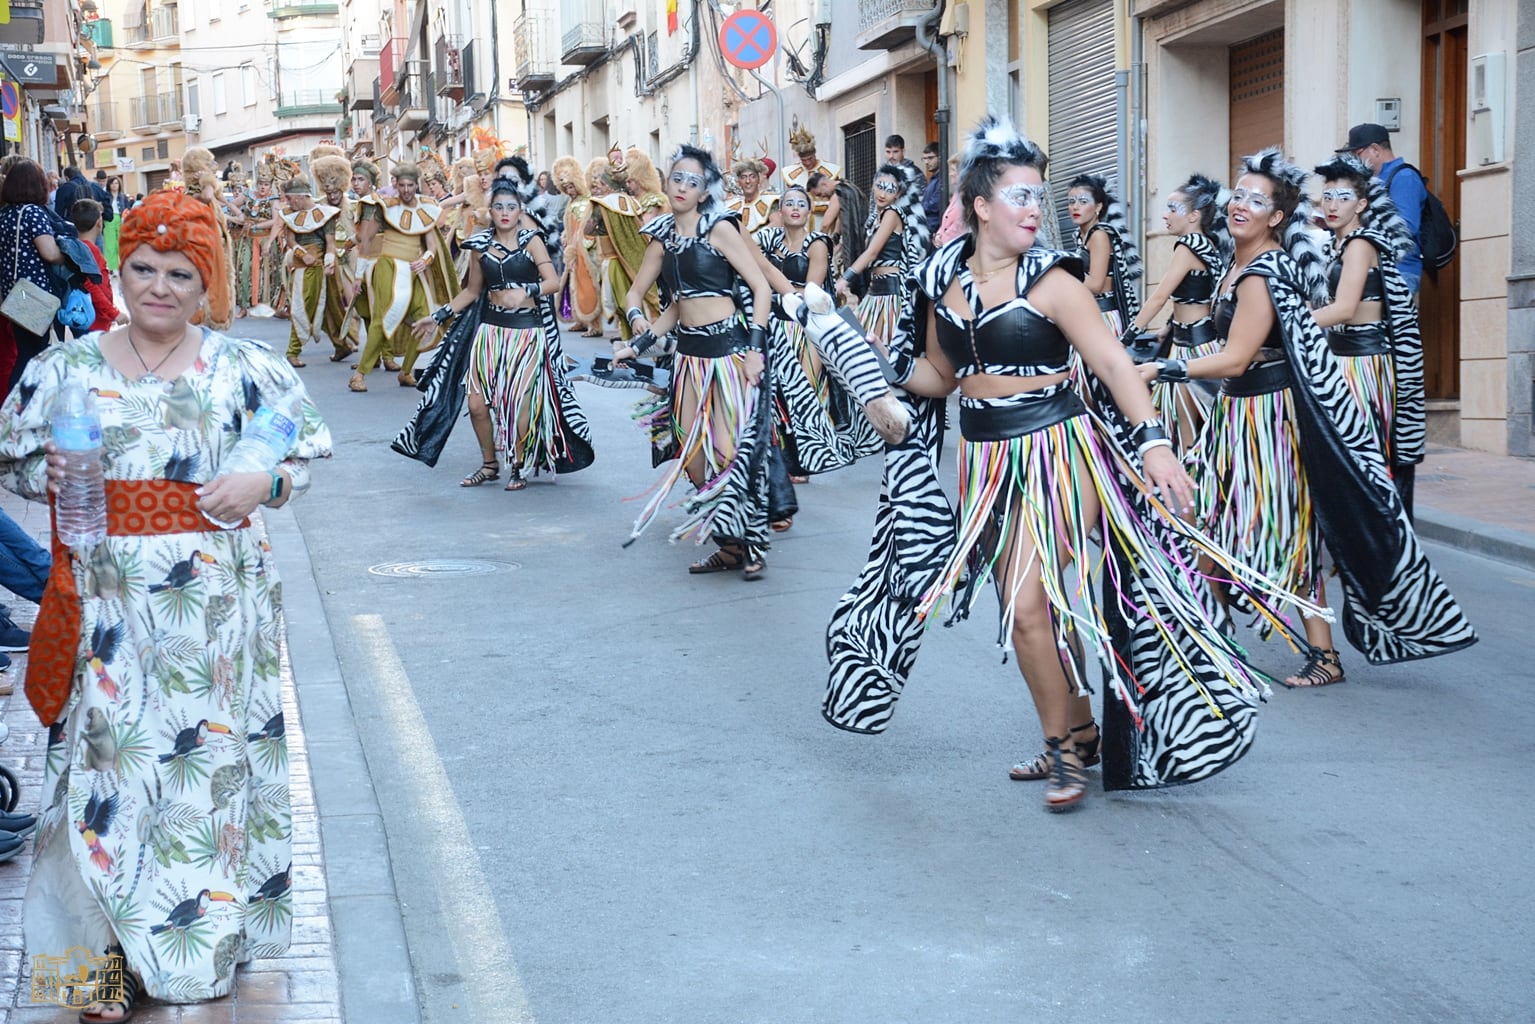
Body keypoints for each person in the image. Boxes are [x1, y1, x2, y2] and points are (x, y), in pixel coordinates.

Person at [818, 115, 1311, 810]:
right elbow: (937, 373)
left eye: (1037, 196)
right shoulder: (939, 280)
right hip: (984, 459)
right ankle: (1076, 728)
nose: (1033, 209)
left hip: (1057, 449)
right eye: (1018, 196)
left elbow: (1111, 363)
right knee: (1029, 612)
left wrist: (1156, 442)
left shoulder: (1051, 279)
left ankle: (1064, 750)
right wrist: (875, 381)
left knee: (1026, 606)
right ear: (980, 206)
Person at [0, 187, 332, 1017]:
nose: (158, 287)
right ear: (123, 267)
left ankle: (185, 953)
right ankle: (91, 970)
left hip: (216, 614)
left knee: (198, 780)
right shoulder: (66, 369)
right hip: (104, 606)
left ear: (205, 282)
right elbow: (12, 460)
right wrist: (68, 484)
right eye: (143, 268)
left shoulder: (244, 369)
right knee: (100, 778)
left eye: (180, 273)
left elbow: (300, 454)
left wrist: (269, 477)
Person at [1141, 147, 1476, 687]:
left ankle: (1323, 656)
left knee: (1279, 532)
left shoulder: (1262, 271)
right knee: (1213, 519)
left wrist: (1165, 369)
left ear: (1277, 217)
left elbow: (1236, 355)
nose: (1241, 205)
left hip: (1267, 417)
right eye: (1239, 196)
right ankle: (1206, 634)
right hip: (1239, 411)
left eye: (1257, 200)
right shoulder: (1241, 263)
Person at [614, 145, 775, 579]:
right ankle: (728, 542)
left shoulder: (720, 228)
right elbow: (672, 307)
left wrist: (755, 351)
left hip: (727, 354)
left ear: (705, 192)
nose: (683, 186)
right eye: (677, 178)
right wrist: (639, 341)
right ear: (666, 183)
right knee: (692, 455)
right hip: (688, 359)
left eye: (693, 181)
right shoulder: (663, 235)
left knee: (729, 453)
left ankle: (751, 543)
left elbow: (761, 288)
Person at [395, 180, 594, 485]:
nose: (504, 212)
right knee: (476, 405)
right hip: (489, 334)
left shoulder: (531, 241)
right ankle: (490, 465)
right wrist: (437, 316)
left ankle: (517, 465)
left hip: (526, 333)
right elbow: (472, 292)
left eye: (511, 207)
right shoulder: (478, 245)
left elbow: (552, 281)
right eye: (499, 207)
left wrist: (526, 289)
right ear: (489, 211)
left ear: (519, 211)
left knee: (521, 405)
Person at [1310, 153, 1425, 517]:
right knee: (1351, 459)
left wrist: (1291, 323)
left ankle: (1377, 546)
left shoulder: (1360, 245)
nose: (1332, 205)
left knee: (1361, 460)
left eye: (1342, 197)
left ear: (1361, 204)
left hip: (1362, 367)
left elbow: (1344, 308)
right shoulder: (1339, 245)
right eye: (1327, 196)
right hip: (1345, 361)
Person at [752, 184, 879, 497]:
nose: (795, 209)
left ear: (809, 212)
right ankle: (781, 456)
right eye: (788, 204)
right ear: (779, 211)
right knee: (776, 393)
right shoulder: (768, 240)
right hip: (773, 323)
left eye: (801, 204)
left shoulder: (817, 243)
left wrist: (781, 295)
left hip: (804, 324)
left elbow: (811, 289)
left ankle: (801, 460)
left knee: (805, 392)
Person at [1129, 173, 1228, 449]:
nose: (1165, 215)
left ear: (1194, 215)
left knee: (1186, 427)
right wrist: (1169, 328)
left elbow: (1159, 297)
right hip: (1193, 344)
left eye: (1173, 209)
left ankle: (1196, 485)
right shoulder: (1207, 244)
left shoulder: (1188, 247)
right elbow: (1192, 296)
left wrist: (1128, 336)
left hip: (1194, 349)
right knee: (1193, 423)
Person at [350, 163, 456, 391]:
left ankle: (406, 371)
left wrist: (426, 259)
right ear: (396, 185)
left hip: (413, 270)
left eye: (410, 185)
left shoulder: (426, 208)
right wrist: (358, 277)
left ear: (416, 185)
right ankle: (360, 374)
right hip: (388, 266)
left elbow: (431, 245)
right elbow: (366, 242)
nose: (406, 190)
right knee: (384, 318)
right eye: (402, 185)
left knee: (426, 320)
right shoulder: (384, 206)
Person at [835, 163, 928, 352]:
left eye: (890, 189)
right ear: (873, 185)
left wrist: (845, 279)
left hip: (890, 296)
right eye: (880, 186)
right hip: (876, 292)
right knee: (866, 348)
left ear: (898, 194)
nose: (883, 193)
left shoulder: (892, 213)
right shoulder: (875, 218)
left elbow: (872, 253)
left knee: (880, 352)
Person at [0, 159, 70, 392]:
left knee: (26, 349)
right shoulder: (33, 213)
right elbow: (49, 253)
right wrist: (68, 256)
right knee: (33, 354)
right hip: (34, 293)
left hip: (13, 292)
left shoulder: (5, 215)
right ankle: (18, 407)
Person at [1339, 123, 1425, 295]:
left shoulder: (1404, 177)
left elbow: (1406, 229)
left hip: (1400, 270)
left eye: (1357, 154)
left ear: (1375, 150)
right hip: (1375, 267)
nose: (1354, 160)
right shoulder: (1374, 178)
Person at [274, 178, 340, 369]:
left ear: (303, 197)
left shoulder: (325, 214)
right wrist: (303, 254)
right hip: (302, 267)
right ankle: (292, 351)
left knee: (328, 308)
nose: (289, 203)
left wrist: (329, 262)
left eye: (292, 199)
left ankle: (341, 345)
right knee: (302, 307)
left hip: (321, 267)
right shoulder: (290, 215)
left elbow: (330, 243)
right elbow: (291, 240)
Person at [1067, 173, 1141, 336]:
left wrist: (1063, 278)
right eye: (1071, 201)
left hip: (1103, 317)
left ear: (1099, 207)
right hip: (1090, 314)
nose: (1075, 207)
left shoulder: (1099, 235)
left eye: (1083, 201)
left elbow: (1095, 284)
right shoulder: (1081, 236)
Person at [552, 156, 603, 337]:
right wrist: (566, 236)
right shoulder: (571, 202)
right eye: (565, 188)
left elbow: (586, 227)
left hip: (586, 251)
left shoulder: (586, 201)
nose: (568, 190)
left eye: (571, 186)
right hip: (573, 250)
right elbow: (570, 226)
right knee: (574, 285)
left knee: (588, 285)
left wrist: (578, 244)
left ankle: (594, 323)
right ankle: (580, 320)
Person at [68, 198, 127, 333]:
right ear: (99, 223)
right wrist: (114, 313)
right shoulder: (91, 251)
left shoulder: (76, 247)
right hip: (95, 321)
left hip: (82, 317)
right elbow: (92, 287)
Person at [783, 124, 841, 224]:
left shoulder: (830, 170)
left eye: (810, 159)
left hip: (824, 219)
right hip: (802, 223)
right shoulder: (790, 174)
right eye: (803, 160)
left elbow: (837, 199)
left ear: (814, 154)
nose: (808, 163)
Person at [224, 186, 255, 318]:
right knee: (239, 271)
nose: (237, 192)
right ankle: (241, 302)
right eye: (235, 189)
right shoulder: (231, 204)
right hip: (235, 241)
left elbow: (242, 220)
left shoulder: (249, 203)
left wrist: (227, 217)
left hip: (252, 238)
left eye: (240, 189)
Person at [728, 158, 778, 233]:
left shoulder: (771, 200)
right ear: (738, 182)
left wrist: (755, 239)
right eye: (743, 177)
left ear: (758, 179)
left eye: (752, 177)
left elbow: (777, 223)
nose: (748, 181)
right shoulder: (731, 205)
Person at [934, 155, 965, 246]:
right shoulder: (957, 194)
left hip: (957, 247)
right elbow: (946, 220)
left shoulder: (968, 196)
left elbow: (960, 224)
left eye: (953, 170)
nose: (950, 174)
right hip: (946, 245)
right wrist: (938, 235)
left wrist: (943, 240)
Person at [102, 176, 128, 270]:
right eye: (112, 183)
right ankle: (112, 268)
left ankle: (123, 266)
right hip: (109, 220)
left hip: (121, 219)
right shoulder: (106, 196)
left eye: (116, 183)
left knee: (121, 243)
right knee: (110, 245)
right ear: (109, 184)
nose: (114, 185)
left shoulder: (123, 196)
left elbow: (127, 209)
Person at [920, 142, 943, 235]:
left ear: (940, 157)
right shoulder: (933, 179)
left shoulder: (943, 178)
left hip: (935, 230)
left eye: (930, 158)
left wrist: (919, 207)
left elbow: (934, 205)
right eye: (924, 159)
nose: (926, 162)